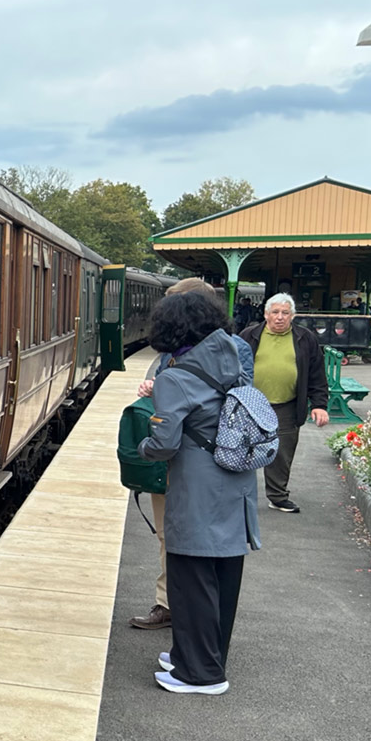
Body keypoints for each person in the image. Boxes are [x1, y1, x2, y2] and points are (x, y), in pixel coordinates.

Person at [136, 291, 261, 694]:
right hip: (236, 481)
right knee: (223, 577)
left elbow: (165, 442)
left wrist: (142, 446)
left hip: (197, 488)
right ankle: (200, 656)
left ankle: (201, 674)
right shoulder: (233, 357)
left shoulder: (176, 376)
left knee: (190, 579)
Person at [238, 293, 327, 513]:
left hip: (287, 405)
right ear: (266, 314)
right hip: (250, 404)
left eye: (285, 313)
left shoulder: (305, 338)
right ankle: (236, 496)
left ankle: (277, 496)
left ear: (292, 316)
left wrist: (319, 405)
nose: (280, 317)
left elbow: (317, 375)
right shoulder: (248, 335)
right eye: (275, 312)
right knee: (239, 450)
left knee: (282, 453)